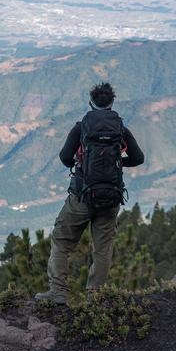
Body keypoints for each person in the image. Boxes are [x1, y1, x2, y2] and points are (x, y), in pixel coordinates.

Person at [34, 82, 144, 304]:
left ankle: (59, 292)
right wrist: (117, 163)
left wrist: (83, 163)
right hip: (111, 197)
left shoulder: (81, 127)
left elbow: (65, 158)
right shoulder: (120, 129)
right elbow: (138, 158)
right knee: (103, 247)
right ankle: (95, 296)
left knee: (62, 240)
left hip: (82, 196)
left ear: (91, 103)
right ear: (112, 103)